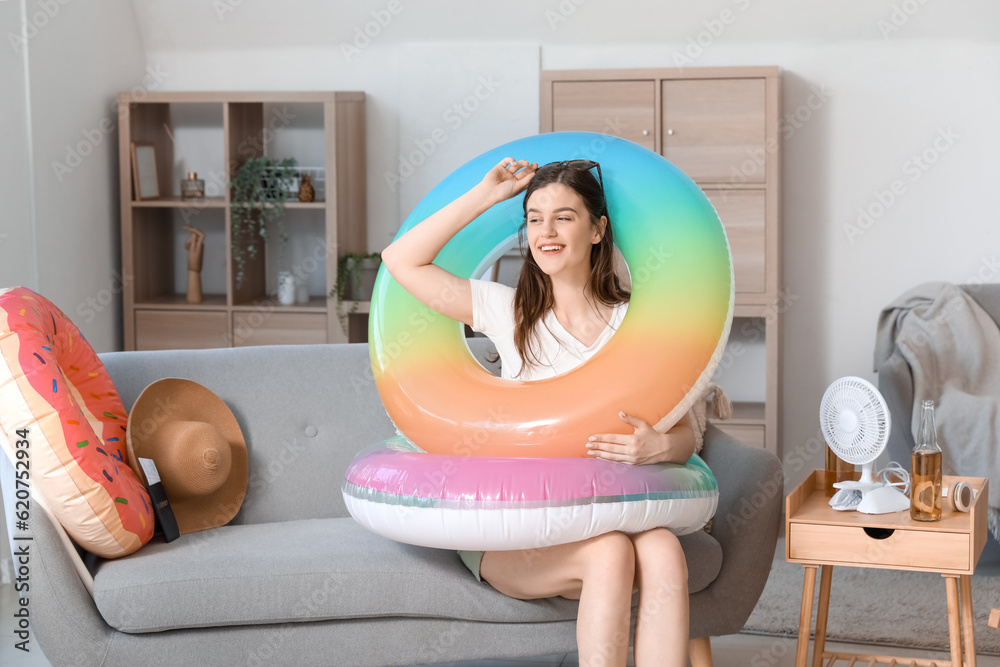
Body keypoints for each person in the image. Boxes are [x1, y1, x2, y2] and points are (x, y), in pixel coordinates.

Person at [380, 157, 696, 667]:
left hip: (605, 509)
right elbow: (401, 261)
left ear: (598, 230)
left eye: (564, 217)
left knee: (662, 548)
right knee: (610, 550)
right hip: (517, 529)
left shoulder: (634, 325)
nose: (546, 232)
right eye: (534, 218)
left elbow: (683, 432)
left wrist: (661, 446)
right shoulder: (509, 312)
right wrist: (487, 195)